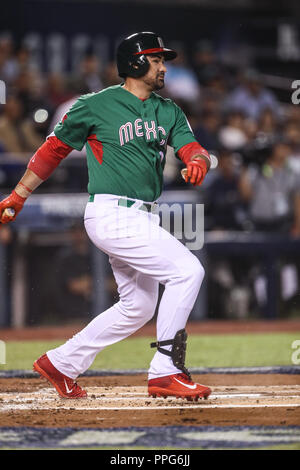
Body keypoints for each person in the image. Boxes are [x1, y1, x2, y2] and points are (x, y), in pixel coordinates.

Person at [0, 32, 212, 401]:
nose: (163, 66)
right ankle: (166, 370)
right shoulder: (96, 105)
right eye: (156, 59)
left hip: (143, 217)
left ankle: (61, 363)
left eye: (163, 60)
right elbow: (53, 151)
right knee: (187, 271)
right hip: (111, 213)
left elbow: (194, 148)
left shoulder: (169, 110)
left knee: (138, 306)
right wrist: (19, 194)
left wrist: (197, 161)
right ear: (134, 63)